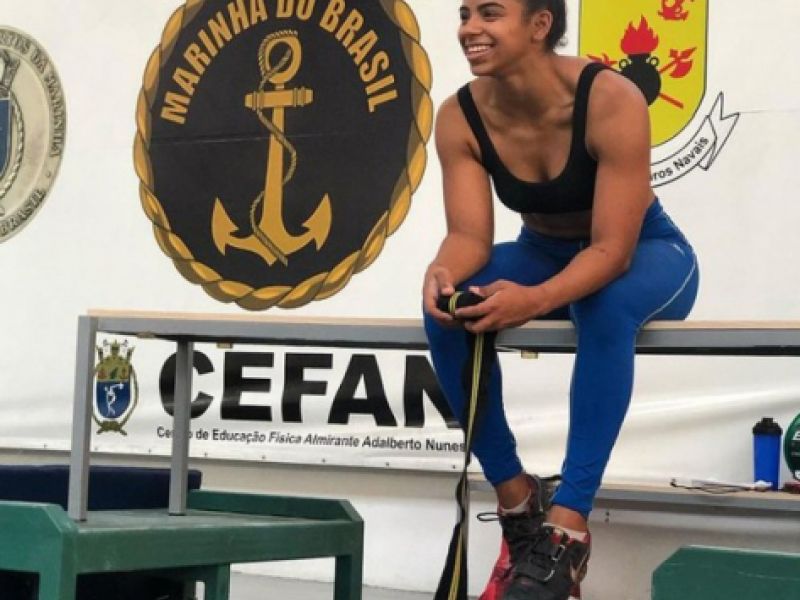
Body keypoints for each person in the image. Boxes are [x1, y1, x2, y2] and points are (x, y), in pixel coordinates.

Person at [422, 1, 699, 599]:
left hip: (645, 254)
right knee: (447, 307)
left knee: (601, 303)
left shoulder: (610, 97)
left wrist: (534, 300)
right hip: (541, 251)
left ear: (540, 24)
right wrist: (443, 272)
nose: (469, 28)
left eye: (490, 13)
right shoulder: (458, 115)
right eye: (465, 14)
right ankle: (517, 501)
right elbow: (469, 238)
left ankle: (568, 527)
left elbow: (612, 251)